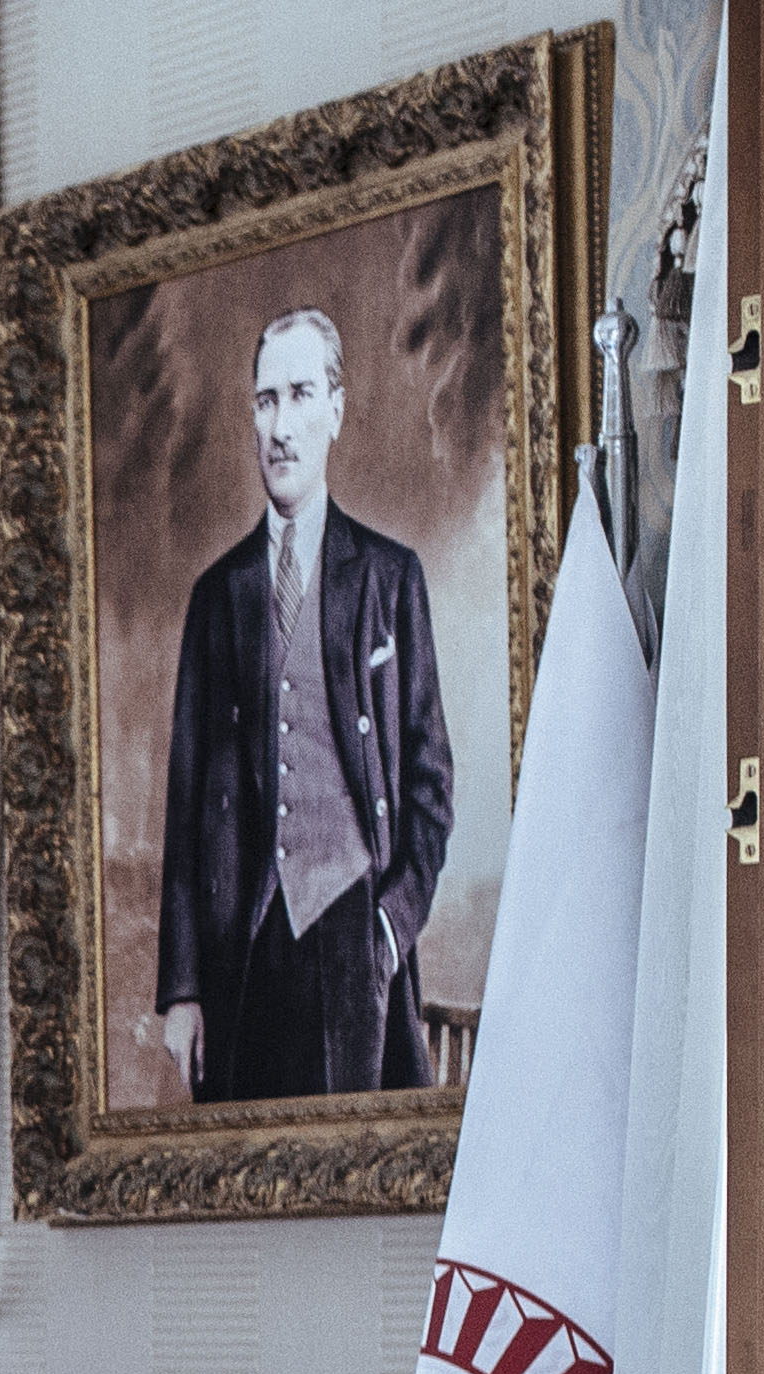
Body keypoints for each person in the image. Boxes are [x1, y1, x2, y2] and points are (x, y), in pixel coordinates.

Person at [154, 306, 458, 1102]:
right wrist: (183, 989)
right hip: (244, 949)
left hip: (355, 940)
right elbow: (187, 807)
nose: (280, 427)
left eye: (299, 396)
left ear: (336, 410)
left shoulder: (390, 579)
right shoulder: (217, 597)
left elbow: (431, 787)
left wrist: (391, 926)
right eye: (265, 401)